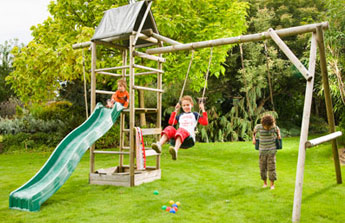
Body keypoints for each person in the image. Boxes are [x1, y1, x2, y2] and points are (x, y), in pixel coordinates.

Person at [151, 95, 208, 160]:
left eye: (187, 105)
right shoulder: (180, 116)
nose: (186, 107)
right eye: (184, 105)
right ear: (181, 106)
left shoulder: (194, 114)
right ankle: (159, 145)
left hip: (189, 138)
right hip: (179, 135)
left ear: (191, 105)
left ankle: (175, 150)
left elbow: (205, 122)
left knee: (181, 130)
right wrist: (175, 111)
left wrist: (203, 109)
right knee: (170, 128)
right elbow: (171, 122)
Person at [252, 114, 281, 190]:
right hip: (262, 151)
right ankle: (265, 183)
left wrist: (279, 136)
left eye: (269, 126)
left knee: (271, 168)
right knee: (262, 168)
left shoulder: (274, 127)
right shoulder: (258, 127)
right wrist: (254, 139)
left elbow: (278, 130)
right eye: (266, 126)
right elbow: (254, 132)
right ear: (263, 124)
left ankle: (272, 185)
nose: (268, 128)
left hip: (271, 151)